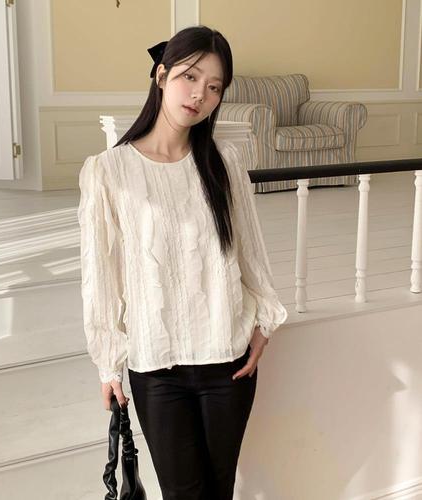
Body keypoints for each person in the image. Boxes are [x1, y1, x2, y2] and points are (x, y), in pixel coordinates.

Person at [77, 25, 288, 500]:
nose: (199, 95)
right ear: (161, 75)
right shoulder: (109, 171)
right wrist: (109, 364)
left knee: (219, 490)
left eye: (214, 87)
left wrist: (265, 322)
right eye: (190, 77)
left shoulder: (223, 162)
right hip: (157, 368)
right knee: (182, 494)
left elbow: (251, 252)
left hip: (228, 360)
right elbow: (101, 277)